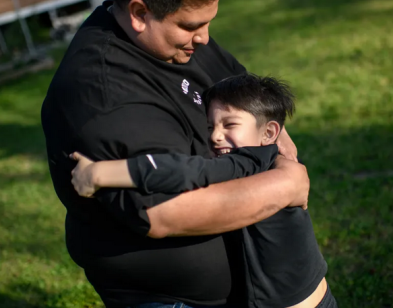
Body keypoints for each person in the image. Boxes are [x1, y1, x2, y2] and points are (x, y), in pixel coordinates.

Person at [41, 0, 309, 307]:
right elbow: (165, 212)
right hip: (171, 299)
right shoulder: (104, 91)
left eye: (208, 22)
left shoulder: (179, 39)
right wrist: (285, 185)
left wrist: (282, 153)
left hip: (256, 282)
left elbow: (255, 104)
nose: (205, 38)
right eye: (191, 26)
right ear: (139, 13)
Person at [70, 74, 338, 308]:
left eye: (229, 125)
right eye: (210, 126)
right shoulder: (267, 159)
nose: (215, 136)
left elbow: (183, 170)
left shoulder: (248, 162)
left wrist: (98, 174)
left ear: (270, 132)